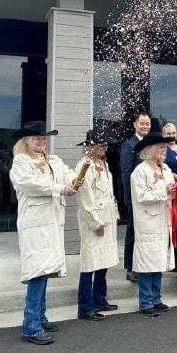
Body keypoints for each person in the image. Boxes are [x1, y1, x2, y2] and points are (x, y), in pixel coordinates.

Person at [8, 121, 81, 345]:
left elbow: (68, 175)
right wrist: (60, 189)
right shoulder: (22, 161)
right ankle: (31, 326)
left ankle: (40, 316)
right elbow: (31, 184)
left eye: (43, 138)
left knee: (46, 269)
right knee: (37, 272)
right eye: (36, 138)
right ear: (26, 141)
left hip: (50, 222)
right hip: (35, 224)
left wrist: (80, 173)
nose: (41, 141)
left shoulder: (52, 160)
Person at [74, 129, 120, 321]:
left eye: (106, 145)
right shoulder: (85, 166)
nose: (105, 148)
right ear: (90, 147)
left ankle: (99, 299)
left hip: (107, 217)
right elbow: (84, 197)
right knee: (90, 262)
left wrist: (115, 214)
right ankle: (85, 307)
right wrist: (94, 222)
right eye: (101, 145)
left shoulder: (103, 164)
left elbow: (109, 193)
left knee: (104, 260)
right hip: (94, 220)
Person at [130, 132, 177, 317]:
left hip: (163, 220)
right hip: (148, 222)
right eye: (161, 147)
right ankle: (145, 301)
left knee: (158, 261)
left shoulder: (165, 169)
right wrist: (163, 191)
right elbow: (141, 197)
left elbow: (170, 190)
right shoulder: (140, 172)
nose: (164, 151)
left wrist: (172, 190)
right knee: (146, 264)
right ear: (150, 150)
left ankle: (156, 298)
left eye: (164, 147)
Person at [120, 113, 152, 283]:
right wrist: (129, 198)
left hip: (149, 198)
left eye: (147, 124)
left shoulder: (149, 144)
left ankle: (142, 264)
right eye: (142, 123)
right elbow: (125, 173)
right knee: (132, 232)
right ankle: (130, 268)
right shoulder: (129, 145)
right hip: (134, 197)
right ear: (135, 125)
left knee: (144, 233)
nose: (145, 126)